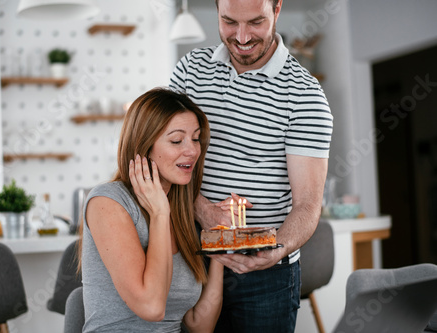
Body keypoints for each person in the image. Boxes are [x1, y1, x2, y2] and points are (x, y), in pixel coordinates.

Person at [169, 0, 333, 331]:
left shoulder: (305, 95)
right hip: (189, 258)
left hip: (266, 278)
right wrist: (203, 211)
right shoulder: (190, 70)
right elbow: (163, 157)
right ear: (216, 10)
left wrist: (276, 250)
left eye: (255, 22)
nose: (242, 37)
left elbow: (307, 206)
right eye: (229, 22)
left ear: (277, 10)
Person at [79, 88, 224, 332]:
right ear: (144, 146)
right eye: (177, 140)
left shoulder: (180, 209)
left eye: (196, 138)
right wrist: (159, 214)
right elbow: (152, 308)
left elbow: (200, 325)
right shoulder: (108, 202)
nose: (192, 151)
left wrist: (221, 246)